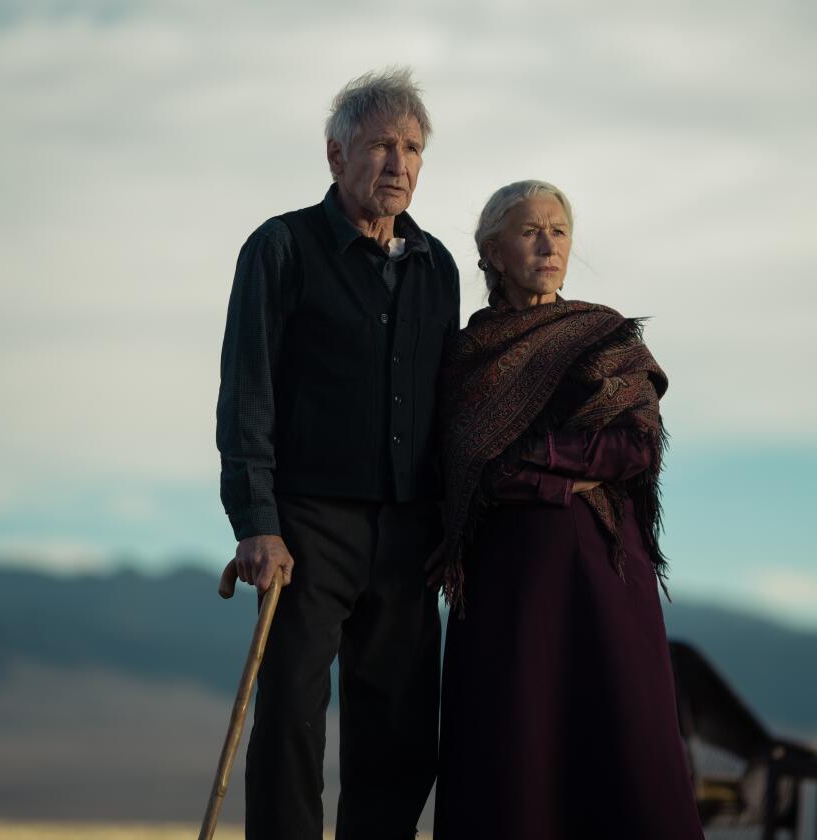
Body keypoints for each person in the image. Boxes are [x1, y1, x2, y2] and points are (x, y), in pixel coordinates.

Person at [215, 68, 459, 840]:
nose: (399, 163)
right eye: (382, 145)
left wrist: (452, 525)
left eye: (413, 148)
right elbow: (248, 390)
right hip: (306, 526)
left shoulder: (438, 266)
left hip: (410, 533)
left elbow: (450, 407)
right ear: (334, 153)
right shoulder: (280, 247)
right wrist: (256, 520)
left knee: (401, 733)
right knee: (290, 715)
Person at [432, 180, 706, 839]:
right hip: (505, 586)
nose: (549, 243)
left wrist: (536, 458)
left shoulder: (602, 336)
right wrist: (558, 477)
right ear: (492, 251)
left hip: (604, 578)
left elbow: (634, 446)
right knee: (515, 752)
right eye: (530, 230)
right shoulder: (467, 357)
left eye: (558, 229)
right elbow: (468, 467)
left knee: (623, 745)